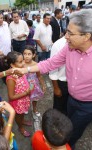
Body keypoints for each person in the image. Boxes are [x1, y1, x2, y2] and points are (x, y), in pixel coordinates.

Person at [14, 9, 92, 149]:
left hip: (87, 105)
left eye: (70, 33)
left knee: (73, 134)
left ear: (86, 36)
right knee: (66, 128)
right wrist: (25, 69)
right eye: (66, 31)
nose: (65, 36)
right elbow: (50, 63)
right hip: (71, 98)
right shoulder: (68, 48)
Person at [5, 51, 33, 137]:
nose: (24, 63)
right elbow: (11, 96)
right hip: (17, 102)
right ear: (12, 65)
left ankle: (22, 121)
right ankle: (20, 127)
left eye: (23, 60)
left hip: (24, 99)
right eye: (20, 62)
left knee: (23, 113)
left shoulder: (20, 71)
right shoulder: (11, 78)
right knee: (18, 115)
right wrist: (26, 92)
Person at [23, 46, 46, 118]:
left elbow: (39, 76)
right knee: (25, 97)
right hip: (24, 85)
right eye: (25, 54)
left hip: (34, 85)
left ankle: (34, 109)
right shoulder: (21, 64)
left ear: (33, 55)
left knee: (35, 98)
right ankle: (26, 107)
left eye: (29, 54)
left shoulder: (36, 64)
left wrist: (43, 85)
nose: (26, 56)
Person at [49, 36, 68, 115]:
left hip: (75, 83)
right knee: (58, 108)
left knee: (68, 108)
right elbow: (52, 67)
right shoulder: (58, 44)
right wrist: (56, 87)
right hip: (62, 83)